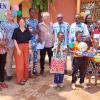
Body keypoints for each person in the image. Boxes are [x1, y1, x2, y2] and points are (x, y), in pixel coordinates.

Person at [12, 17, 32, 85]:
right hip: (19, 47)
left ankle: (25, 77)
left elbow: (29, 40)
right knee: (20, 64)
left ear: (25, 23)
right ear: (18, 23)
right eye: (20, 22)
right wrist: (17, 49)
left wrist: (29, 48)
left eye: (23, 22)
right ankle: (20, 79)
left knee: (26, 63)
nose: (22, 23)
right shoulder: (16, 30)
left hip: (26, 47)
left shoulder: (27, 30)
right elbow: (14, 40)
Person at [1, 10, 18, 81]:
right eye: (8, 14)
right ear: (6, 16)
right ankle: (9, 74)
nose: (10, 15)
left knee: (18, 60)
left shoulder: (16, 24)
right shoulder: (3, 24)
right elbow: (2, 33)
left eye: (11, 14)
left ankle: (19, 72)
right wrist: (4, 44)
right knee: (9, 60)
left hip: (17, 45)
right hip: (8, 45)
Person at [26, 8, 39, 75]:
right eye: (31, 12)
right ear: (29, 13)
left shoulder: (36, 21)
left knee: (35, 57)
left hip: (35, 42)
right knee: (29, 57)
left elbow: (38, 31)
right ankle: (29, 71)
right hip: (29, 42)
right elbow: (29, 31)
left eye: (34, 12)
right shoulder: (27, 21)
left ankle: (34, 70)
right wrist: (34, 31)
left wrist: (34, 31)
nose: (33, 14)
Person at [0, 24, 8, 89]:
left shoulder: (2, 25)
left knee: (2, 66)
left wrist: (5, 44)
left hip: (3, 50)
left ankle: (2, 81)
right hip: (1, 47)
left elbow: (5, 36)